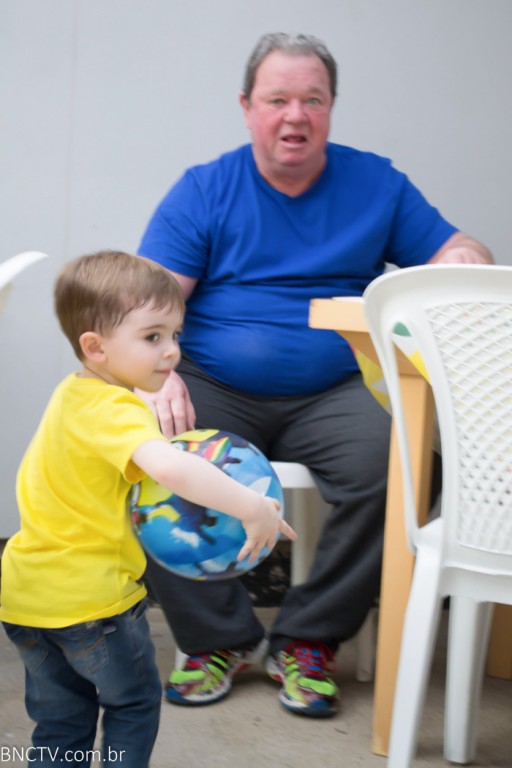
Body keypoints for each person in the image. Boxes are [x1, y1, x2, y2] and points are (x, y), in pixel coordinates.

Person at [137, 33, 493, 718]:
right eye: (278, 100)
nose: (295, 115)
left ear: (331, 107)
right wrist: (157, 374)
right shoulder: (205, 189)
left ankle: (308, 640)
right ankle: (215, 640)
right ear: (247, 107)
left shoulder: (377, 184)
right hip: (216, 382)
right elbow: (149, 301)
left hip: (337, 389)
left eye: (312, 100)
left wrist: (465, 255)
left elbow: (456, 244)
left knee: (402, 464)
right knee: (151, 451)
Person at [0, 250, 294, 767]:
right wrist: (251, 505)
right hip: (94, 603)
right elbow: (173, 468)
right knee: (133, 704)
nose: (172, 351)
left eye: (176, 334)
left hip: (27, 596)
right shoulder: (117, 408)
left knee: (61, 721)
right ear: (95, 346)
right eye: (153, 337)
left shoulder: (71, 394)